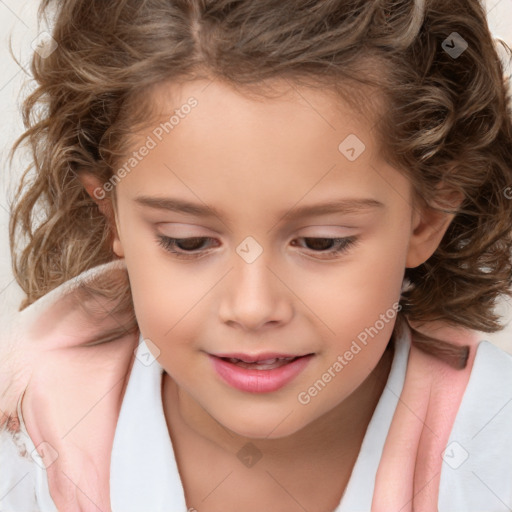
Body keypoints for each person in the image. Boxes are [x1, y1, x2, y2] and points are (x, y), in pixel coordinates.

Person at [1, 0, 512, 510]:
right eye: (187, 241)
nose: (252, 307)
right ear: (111, 213)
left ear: (425, 219)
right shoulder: (30, 431)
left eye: (321, 242)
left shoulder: (492, 451)